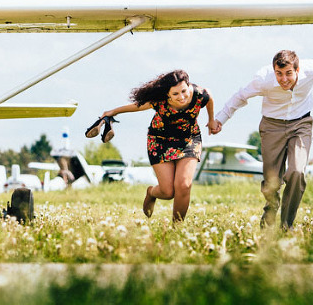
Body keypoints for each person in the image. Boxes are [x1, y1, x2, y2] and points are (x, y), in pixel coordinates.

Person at [213, 50, 313, 230]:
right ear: (274, 71)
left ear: (297, 70)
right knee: (272, 182)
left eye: (288, 73)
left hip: (301, 123)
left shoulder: (310, 69)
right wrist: (220, 119)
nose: (283, 79)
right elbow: (240, 96)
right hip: (272, 126)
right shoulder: (263, 79)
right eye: (279, 73)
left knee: (297, 172)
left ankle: (287, 225)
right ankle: (271, 207)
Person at [89, 70, 218, 222]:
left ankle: (176, 230)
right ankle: (151, 193)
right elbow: (136, 106)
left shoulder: (199, 94)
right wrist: (113, 112)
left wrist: (211, 120)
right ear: (167, 94)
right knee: (167, 191)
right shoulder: (159, 101)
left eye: (184, 91)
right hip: (160, 140)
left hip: (189, 139)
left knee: (183, 185)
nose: (182, 97)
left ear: (188, 85)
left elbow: (209, 100)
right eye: (175, 94)